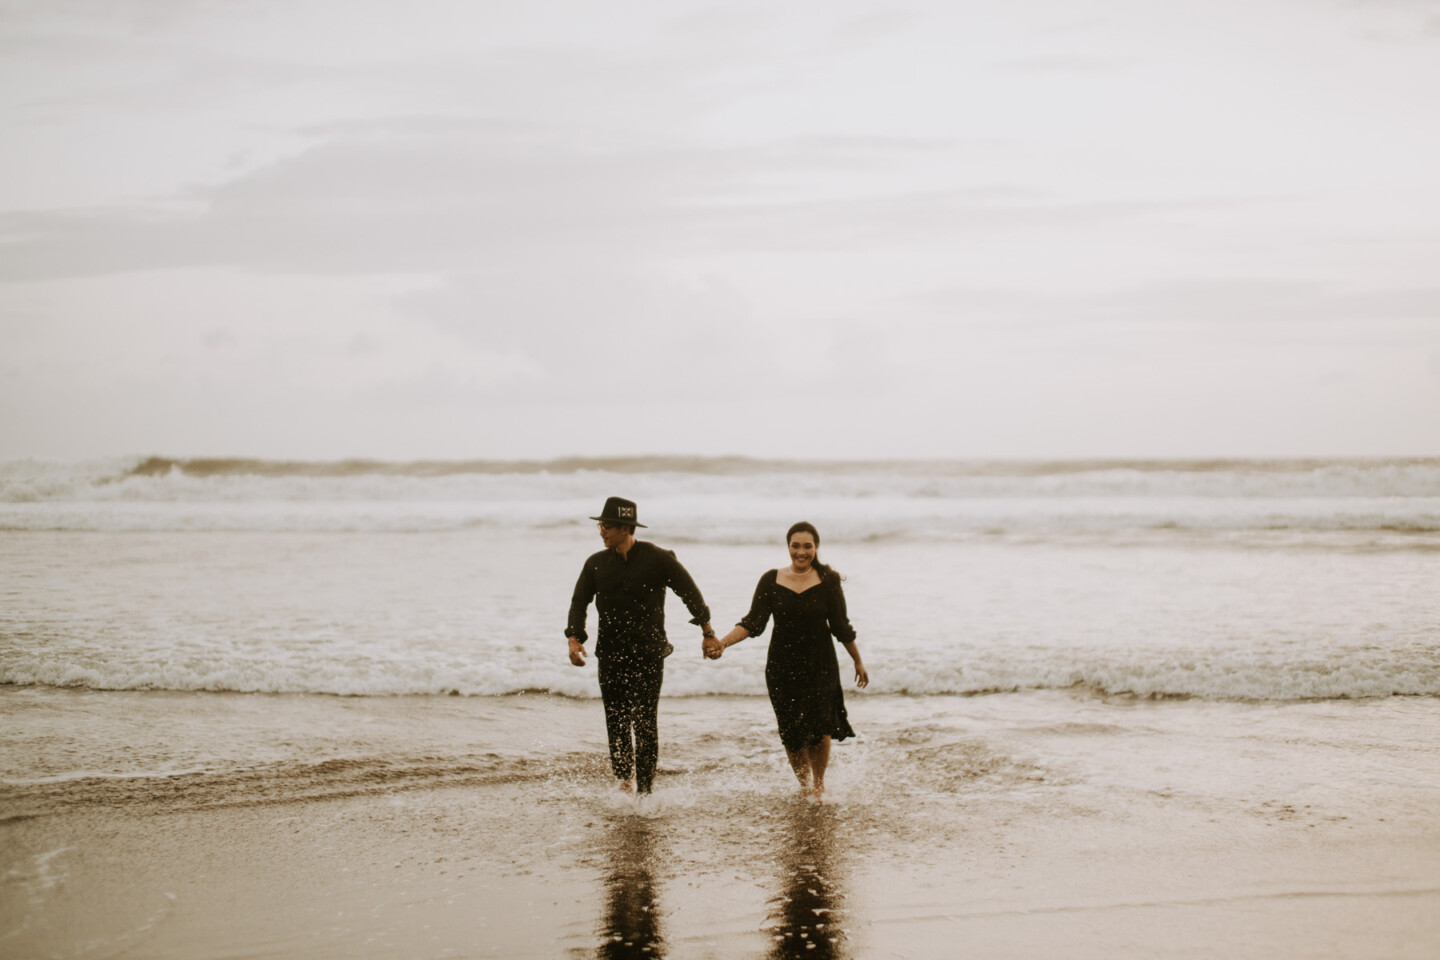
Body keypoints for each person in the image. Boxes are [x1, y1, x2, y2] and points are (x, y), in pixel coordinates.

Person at [705, 521, 868, 802]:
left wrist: (858, 661)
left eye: (807, 546)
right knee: (791, 732)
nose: (801, 552)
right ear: (788, 546)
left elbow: (842, 627)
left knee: (820, 728)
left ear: (816, 548)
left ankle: (818, 785)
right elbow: (752, 623)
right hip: (782, 667)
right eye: (796, 546)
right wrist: (723, 643)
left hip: (820, 665)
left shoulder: (828, 581)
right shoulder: (771, 580)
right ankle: (804, 785)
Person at [566, 496, 716, 795]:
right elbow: (579, 601)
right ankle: (624, 781)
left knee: (645, 720)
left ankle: (645, 790)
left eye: (606, 526)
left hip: (649, 653)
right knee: (616, 718)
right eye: (600, 526)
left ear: (625, 527)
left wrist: (707, 629)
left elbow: (689, 591)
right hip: (610, 653)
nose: (601, 532)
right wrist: (574, 639)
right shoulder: (596, 564)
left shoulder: (658, 558)